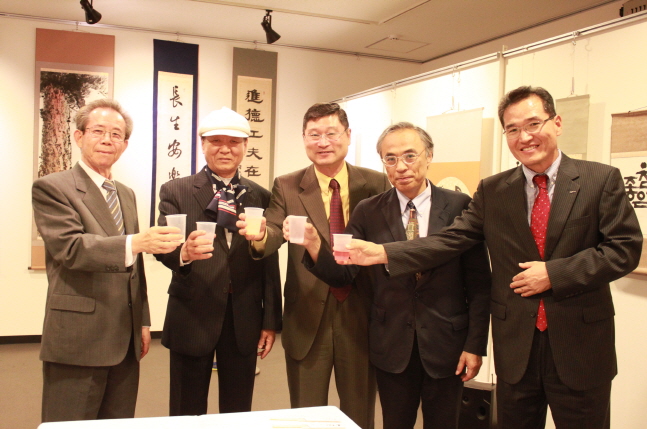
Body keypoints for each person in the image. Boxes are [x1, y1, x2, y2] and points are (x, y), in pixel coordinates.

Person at [342, 86, 643, 429]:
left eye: (533, 124)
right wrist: (385, 252)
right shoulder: (493, 190)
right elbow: (451, 239)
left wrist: (555, 274)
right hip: (516, 348)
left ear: (557, 123)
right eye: (512, 129)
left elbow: (624, 249)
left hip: (580, 345)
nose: (524, 137)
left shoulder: (599, 179)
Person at [293, 122, 491, 429]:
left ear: (429, 156)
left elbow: (479, 283)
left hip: (447, 343)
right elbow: (344, 274)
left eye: (410, 156)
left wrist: (475, 345)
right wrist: (315, 246)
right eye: (390, 158)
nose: (401, 167)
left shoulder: (459, 207)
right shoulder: (368, 210)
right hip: (392, 343)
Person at [237, 102, 390, 429]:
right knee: (307, 415)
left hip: (361, 311)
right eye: (314, 135)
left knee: (360, 412)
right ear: (304, 138)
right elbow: (274, 230)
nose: (323, 143)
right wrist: (261, 235)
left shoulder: (375, 183)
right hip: (307, 313)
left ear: (348, 135)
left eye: (331, 134)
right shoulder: (288, 185)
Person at [32, 99, 182, 422]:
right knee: (69, 424)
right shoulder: (53, 187)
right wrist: (137, 242)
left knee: (117, 422)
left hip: (125, 338)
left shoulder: (125, 193)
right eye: (98, 131)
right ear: (78, 136)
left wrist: (143, 321)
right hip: (79, 336)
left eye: (116, 134)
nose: (107, 140)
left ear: (124, 145)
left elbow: (134, 267)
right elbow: (71, 248)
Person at [154, 107, 282, 416]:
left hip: (244, 315)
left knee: (238, 409)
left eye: (234, 142)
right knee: (186, 409)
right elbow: (163, 248)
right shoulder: (177, 190)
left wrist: (270, 320)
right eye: (216, 141)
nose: (225, 149)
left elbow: (269, 261)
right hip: (192, 312)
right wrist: (183, 252)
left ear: (245, 147)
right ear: (203, 144)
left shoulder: (260, 196)